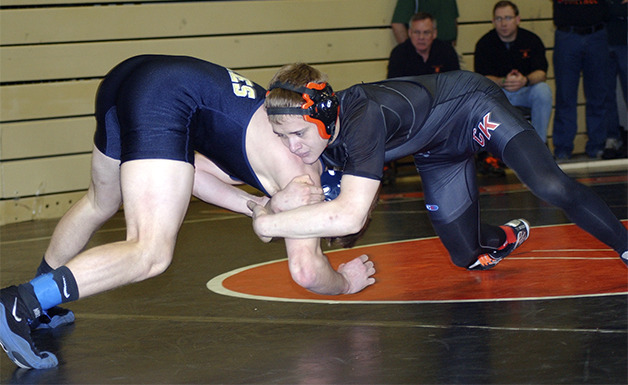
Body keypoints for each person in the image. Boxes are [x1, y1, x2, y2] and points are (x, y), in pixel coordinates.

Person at [0, 55, 376, 370]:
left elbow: (190, 174)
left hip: (134, 76)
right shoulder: (305, 183)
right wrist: (345, 283)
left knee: (100, 202)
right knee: (150, 253)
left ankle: (42, 307)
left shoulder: (285, 148)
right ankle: (20, 304)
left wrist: (256, 208)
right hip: (164, 98)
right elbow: (306, 271)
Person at [248, 64, 628, 277]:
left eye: (298, 133)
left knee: (548, 185)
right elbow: (346, 225)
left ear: (325, 116)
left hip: (472, 106)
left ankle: (625, 247)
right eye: (283, 137)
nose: (293, 147)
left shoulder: (363, 119)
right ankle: (506, 237)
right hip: (436, 149)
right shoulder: (320, 145)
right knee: (467, 257)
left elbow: (348, 216)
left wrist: (268, 221)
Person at [474, 1, 552, 144]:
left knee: (543, 90)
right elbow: (481, 78)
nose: (503, 23)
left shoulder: (532, 40)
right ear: (493, 21)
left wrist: (525, 80)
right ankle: (492, 152)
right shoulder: (484, 44)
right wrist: (502, 81)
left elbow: (541, 73)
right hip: (498, 95)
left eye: (508, 18)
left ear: (517, 19)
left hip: (524, 91)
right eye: (499, 19)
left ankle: (540, 146)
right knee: (479, 97)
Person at [551, 0, 611, 160]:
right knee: (565, 95)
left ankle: (597, 145)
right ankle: (563, 147)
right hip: (567, 35)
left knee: (598, 94)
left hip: (597, 34)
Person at [387, 12, 460, 78]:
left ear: (434, 34)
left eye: (426, 32)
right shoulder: (398, 54)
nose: (421, 37)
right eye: (416, 32)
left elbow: (456, 84)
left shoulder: (447, 52)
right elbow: (392, 88)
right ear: (409, 33)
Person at [601, 0, 627, 160]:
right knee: (605, 92)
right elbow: (599, 10)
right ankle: (612, 137)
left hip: (624, 38)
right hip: (601, 39)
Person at [391, 0, 459, 46]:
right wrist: (410, 52)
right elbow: (397, 25)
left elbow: (453, 19)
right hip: (427, 53)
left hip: (448, 51)